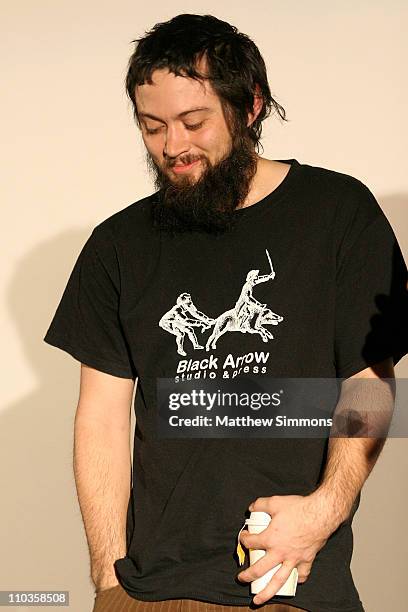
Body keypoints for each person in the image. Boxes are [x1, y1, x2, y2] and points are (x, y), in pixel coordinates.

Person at [43, 13, 408, 612]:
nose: (173, 146)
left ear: (251, 106)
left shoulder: (339, 213)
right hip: (151, 592)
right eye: (152, 125)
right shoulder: (119, 244)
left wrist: (324, 511)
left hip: (292, 578)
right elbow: (102, 417)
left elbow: (369, 382)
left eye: (194, 121)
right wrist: (109, 579)